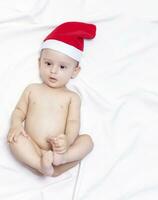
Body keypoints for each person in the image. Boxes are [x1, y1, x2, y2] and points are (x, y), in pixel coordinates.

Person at [7, 22, 96, 177]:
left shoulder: (72, 97)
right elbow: (19, 111)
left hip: (59, 150)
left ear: (75, 71)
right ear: (39, 62)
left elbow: (73, 123)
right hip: (32, 146)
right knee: (14, 139)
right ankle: (40, 165)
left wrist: (67, 142)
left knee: (87, 141)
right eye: (48, 63)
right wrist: (15, 125)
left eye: (62, 67)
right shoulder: (32, 89)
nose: (53, 71)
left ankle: (62, 159)